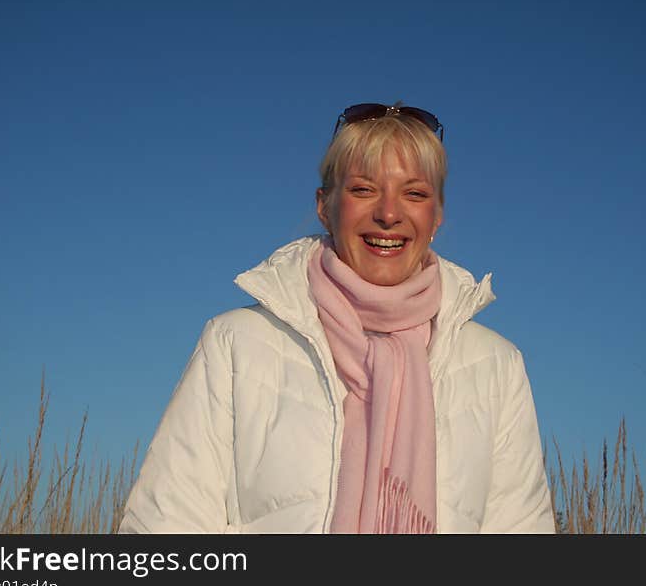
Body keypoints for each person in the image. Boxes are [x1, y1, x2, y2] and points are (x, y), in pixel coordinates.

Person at [118, 102, 555, 534]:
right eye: (363, 189)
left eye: (415, 193)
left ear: (436, 215)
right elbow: (165, 528)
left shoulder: (495, 365)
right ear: (325, 205)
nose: (388, 213)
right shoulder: (236, 345)